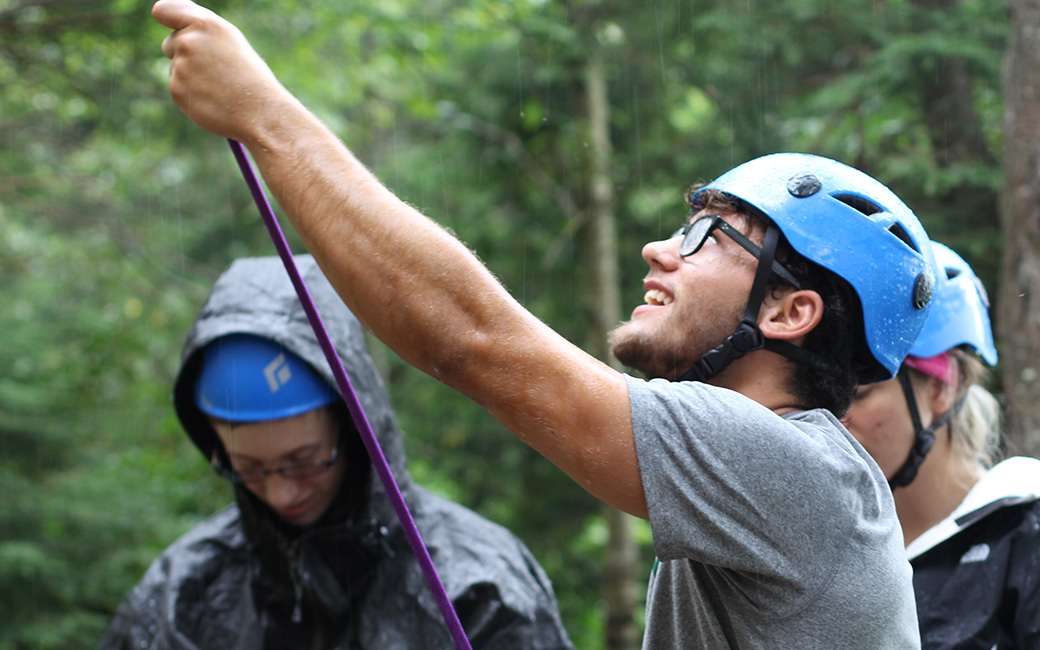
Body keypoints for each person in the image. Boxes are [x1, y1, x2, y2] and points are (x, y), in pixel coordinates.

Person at [151, 2, 938, 646]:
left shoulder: (788, 470)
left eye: (709, 235)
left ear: (788, 311)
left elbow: (471, 342)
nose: (661, 248)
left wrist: (265, 117)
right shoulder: (770, 488)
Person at [97, 255, 574, 650]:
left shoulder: (475, 588)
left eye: (304, 460)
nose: (283, 493)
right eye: (249, 469)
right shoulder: (183, 591)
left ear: (353, 427)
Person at [844, 242, 1040, 648]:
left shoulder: (1024, 531)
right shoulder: (824, 552)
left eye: (855, 394)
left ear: (940, 389)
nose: (827, 420)